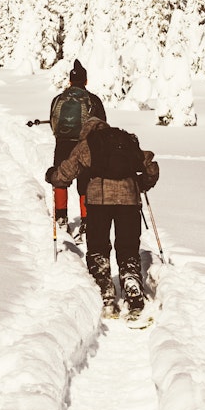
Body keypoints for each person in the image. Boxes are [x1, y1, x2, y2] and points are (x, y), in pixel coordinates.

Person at [46, 116, 159, 320]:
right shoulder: (125, 140)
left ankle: (105, 290)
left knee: (98, 246)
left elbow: (67, 171)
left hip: (99, 201)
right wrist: (142, 183)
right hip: (129, 199)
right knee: (128, 247)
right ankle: (132, 286)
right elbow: (150, 166)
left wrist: (53, 177)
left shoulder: (88, 144)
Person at [48, 59, 105, 240]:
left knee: (60, 177)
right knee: (85, 182)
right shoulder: (93, 100)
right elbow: (101, 124)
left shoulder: (58, 99)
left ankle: (61, 218)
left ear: (70, 81)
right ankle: (86, 222)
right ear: (86, 81)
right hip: (85, 144)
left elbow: (53, 121)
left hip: (63, 143)